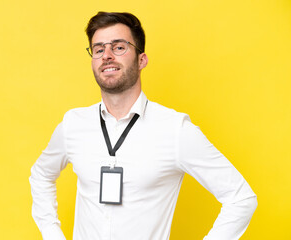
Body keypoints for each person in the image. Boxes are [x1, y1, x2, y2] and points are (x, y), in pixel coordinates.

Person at [29, 12, 257, 240]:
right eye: (98, 49)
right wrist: (52, 234)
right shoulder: (74, 124)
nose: (107, 55)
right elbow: (41, 175)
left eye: (119, 47)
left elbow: (241, 198)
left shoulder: (175, 129)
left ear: (141, 60)